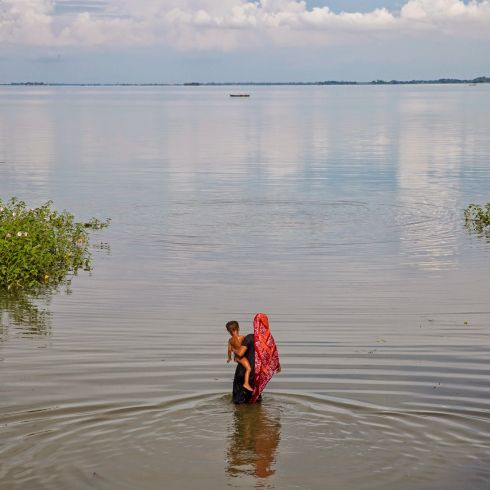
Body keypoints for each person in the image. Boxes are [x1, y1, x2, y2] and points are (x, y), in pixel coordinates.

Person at [230, 313, 281, 404]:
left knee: (238, 401)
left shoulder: (249, 337)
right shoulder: (268, 340)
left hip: (243, 371)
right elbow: (273, 354)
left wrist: (233, 350)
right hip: (257, 374)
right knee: (255, 400)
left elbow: (241, 353)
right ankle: (255, 415)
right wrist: (277, 365)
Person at [226, 320, 253, 392]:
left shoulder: (230, 340)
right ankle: (246, 383)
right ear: (238, 328)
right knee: (249, 368)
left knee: (245, 367)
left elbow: (229, 350)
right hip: (241, 357)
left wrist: (229, 358)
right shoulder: (242, 338)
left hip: (236, 358)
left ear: (229, 331)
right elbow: (246, 345)